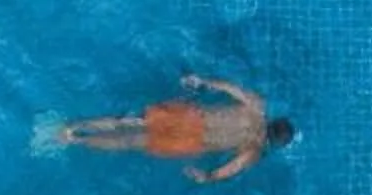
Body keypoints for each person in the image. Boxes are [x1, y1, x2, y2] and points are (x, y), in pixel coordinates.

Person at [44, 74, 292, 183]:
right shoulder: (254, 150)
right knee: (129, 142)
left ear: (274, 120)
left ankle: (73, 127)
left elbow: (229, 88)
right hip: (193, 142)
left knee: (130, 121)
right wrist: (206, 176)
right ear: (273, 142)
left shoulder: (257, 106)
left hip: (191, 117)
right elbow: (229, 169)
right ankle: (74, 142)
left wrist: (202, 81)